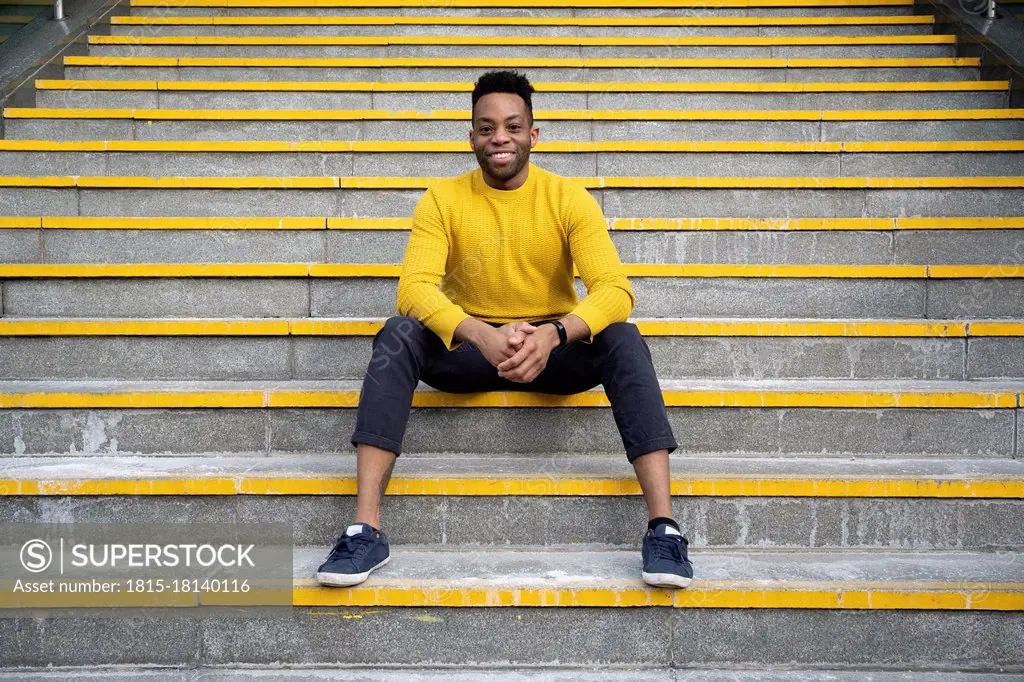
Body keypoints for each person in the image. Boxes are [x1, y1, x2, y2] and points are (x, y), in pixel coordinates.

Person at [316, 70, 693, 590]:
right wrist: (477, 332)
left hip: (552, 352)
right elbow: (415, 289)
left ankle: (665, 529)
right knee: (397, 332)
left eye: (513, 127)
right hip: (470, 352)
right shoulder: (441, 199)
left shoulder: (568, 198)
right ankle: (365, 529)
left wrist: (556, 334)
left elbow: (616, 290)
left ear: (532, 135)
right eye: (486, 127)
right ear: (470, 136)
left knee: (623, 337)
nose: (500, 138)